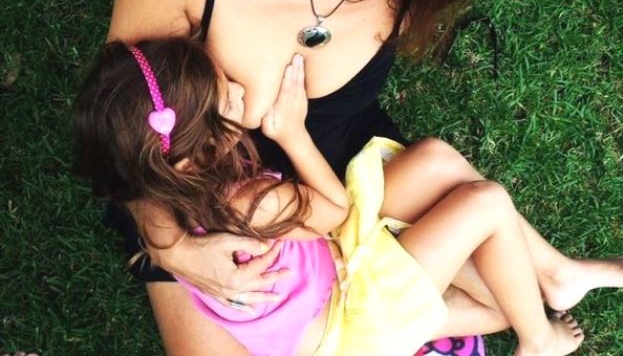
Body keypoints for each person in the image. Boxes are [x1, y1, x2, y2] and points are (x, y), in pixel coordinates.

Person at [105, 0, 623, 353]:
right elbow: (120, 122)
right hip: (200, 206)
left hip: (334, 179)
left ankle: (549, 273)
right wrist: (174, 247)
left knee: (506, 298)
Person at [75, 37, 592, 356]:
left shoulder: (171, 210)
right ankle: (539, 344)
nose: (240, 89)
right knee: (485, 207)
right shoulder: (252, 205)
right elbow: (334, 210)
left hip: (328, 314)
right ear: (200, 152)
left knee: (487, 282)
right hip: (349, 322)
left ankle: (458, 317)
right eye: (227, 97)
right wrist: (291, 132)